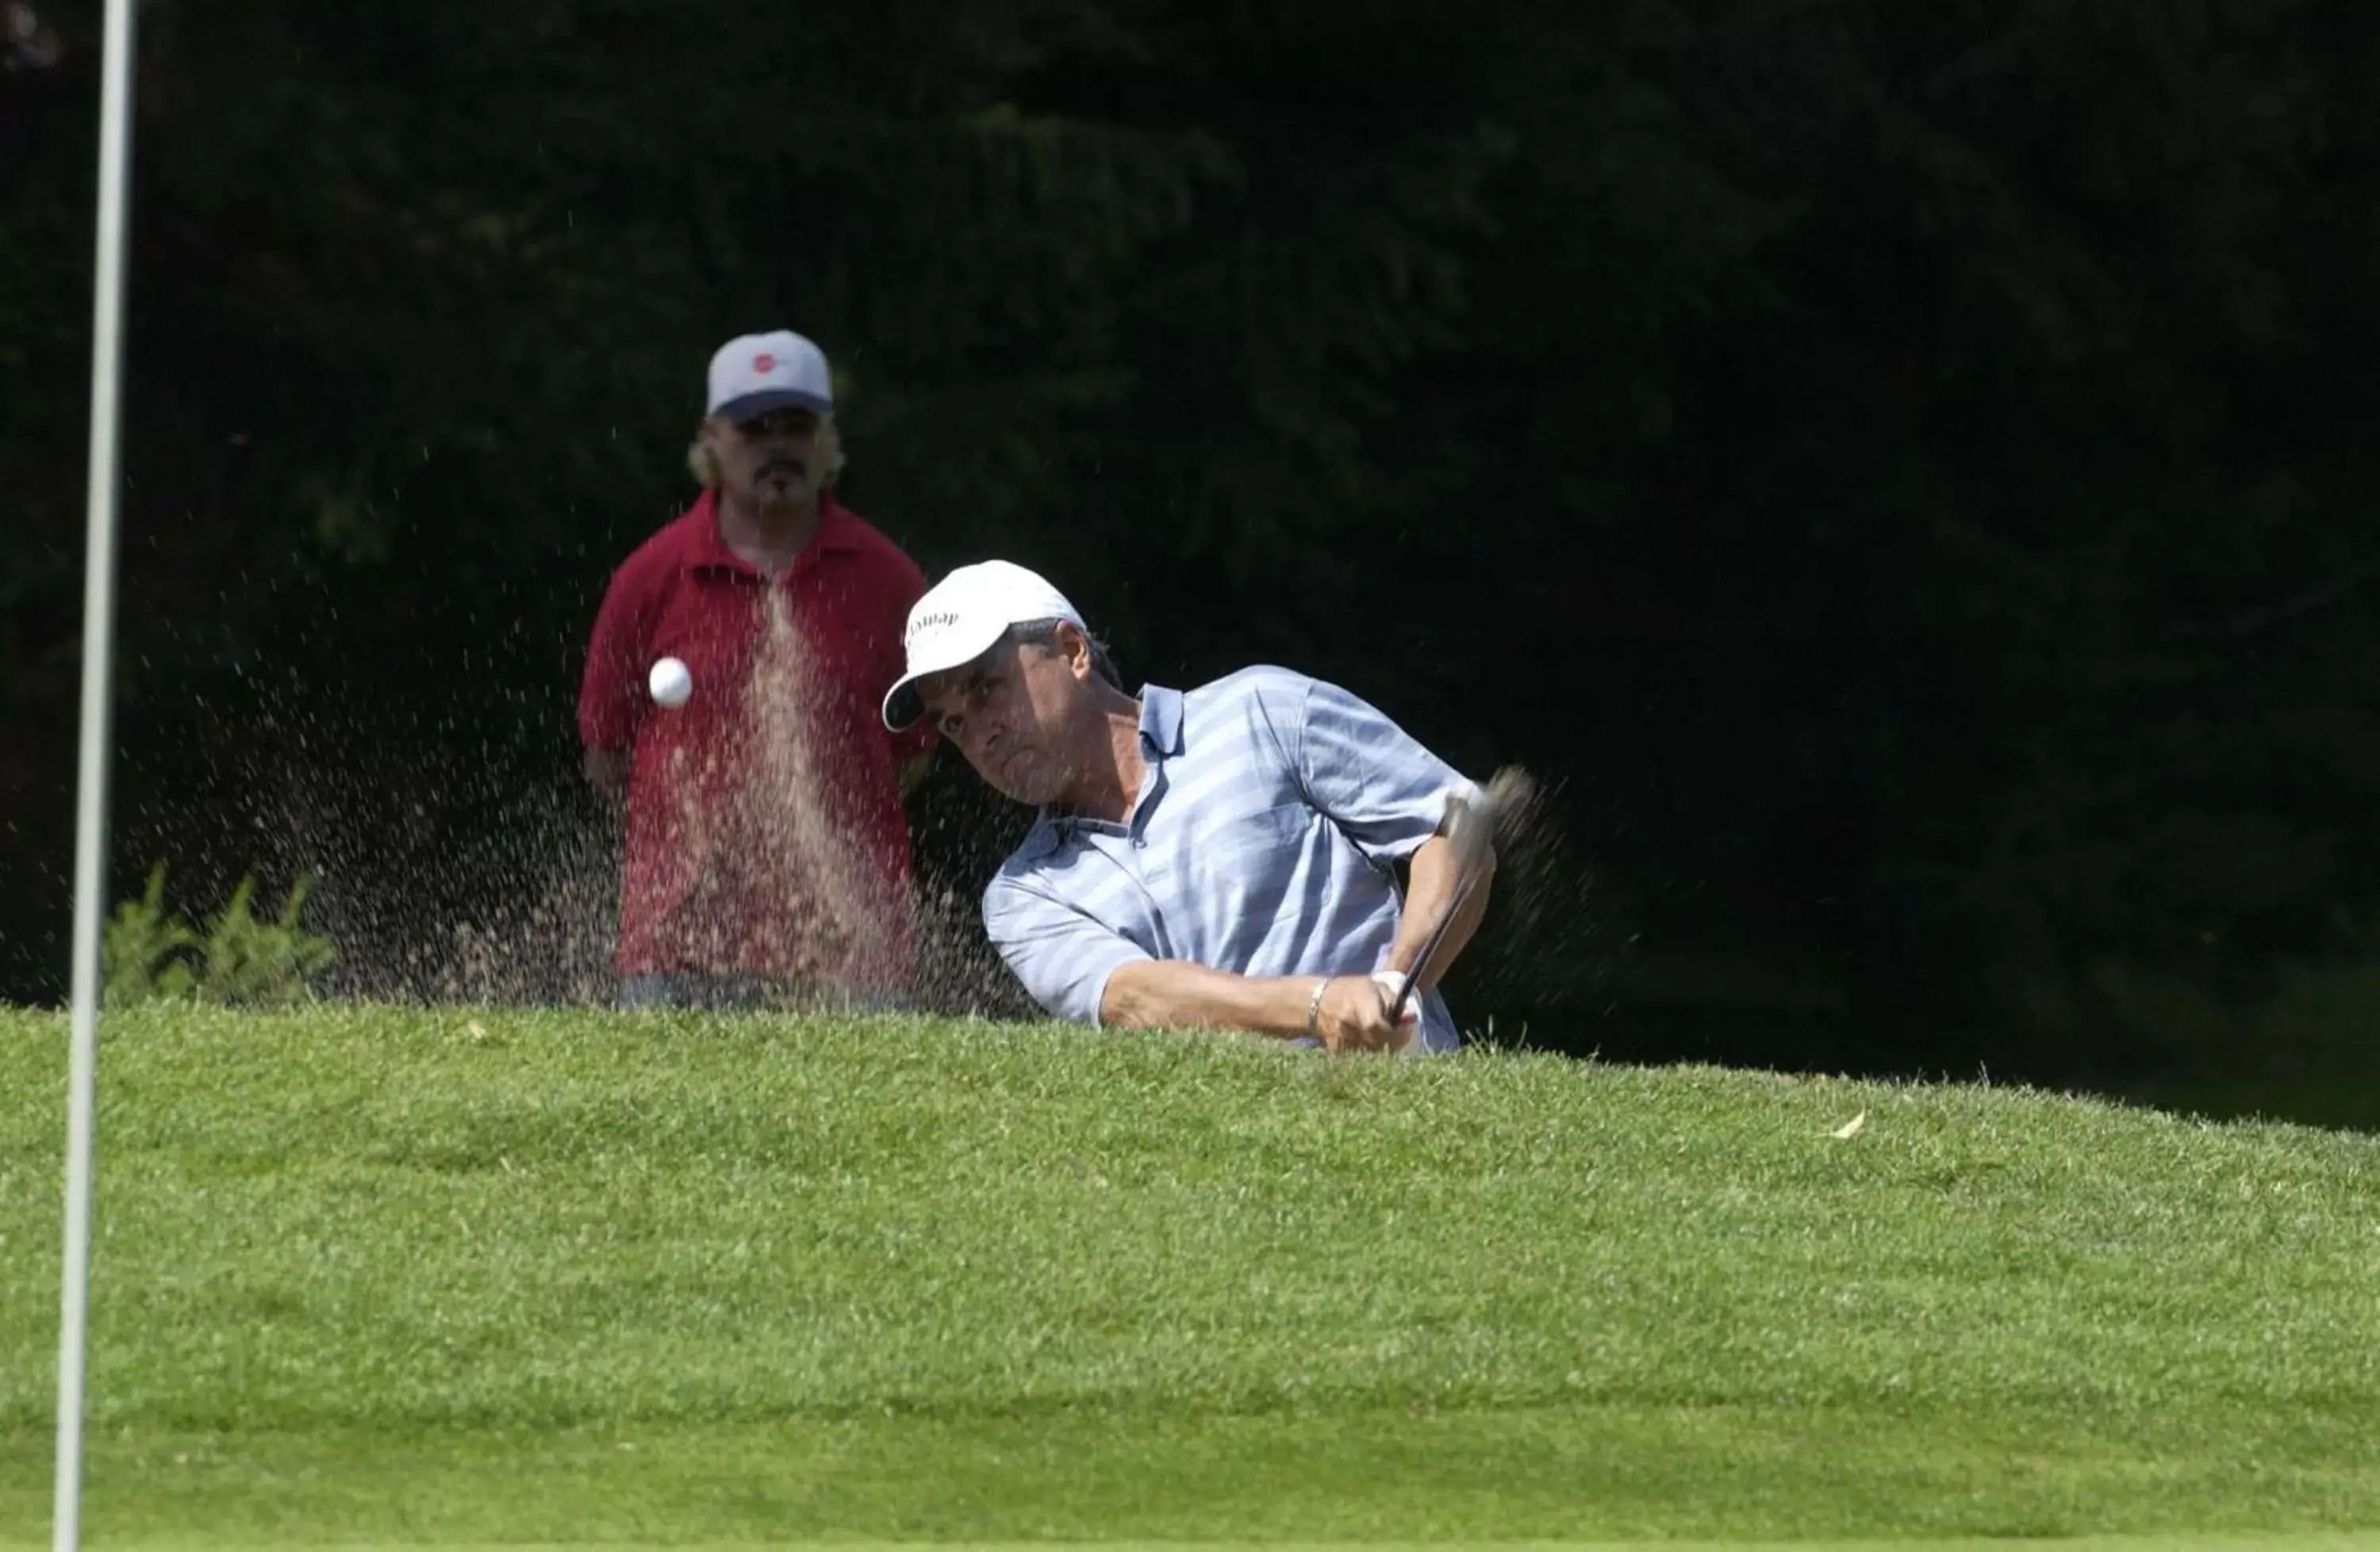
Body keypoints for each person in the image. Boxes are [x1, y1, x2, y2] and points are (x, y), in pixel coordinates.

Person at [880, 560, 1493, 1053]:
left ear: (1073, 651)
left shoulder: (1264, 711)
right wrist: (1320, 1005)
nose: (979, 735)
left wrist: (1399, 981)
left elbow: (1451, 831)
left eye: (987, 689)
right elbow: (1136, 999)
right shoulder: (1022, 897)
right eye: (953, 724)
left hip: (1413, 1108)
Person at [578, 330, 935, 1009]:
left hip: (852, 946)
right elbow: (606, 756)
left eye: (796, 428)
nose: (777, 447)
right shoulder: (650, 577)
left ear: (827, 442)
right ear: (712, 439)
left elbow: (916, 753)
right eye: (754, 428)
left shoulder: (890, 580)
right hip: (678, 945)